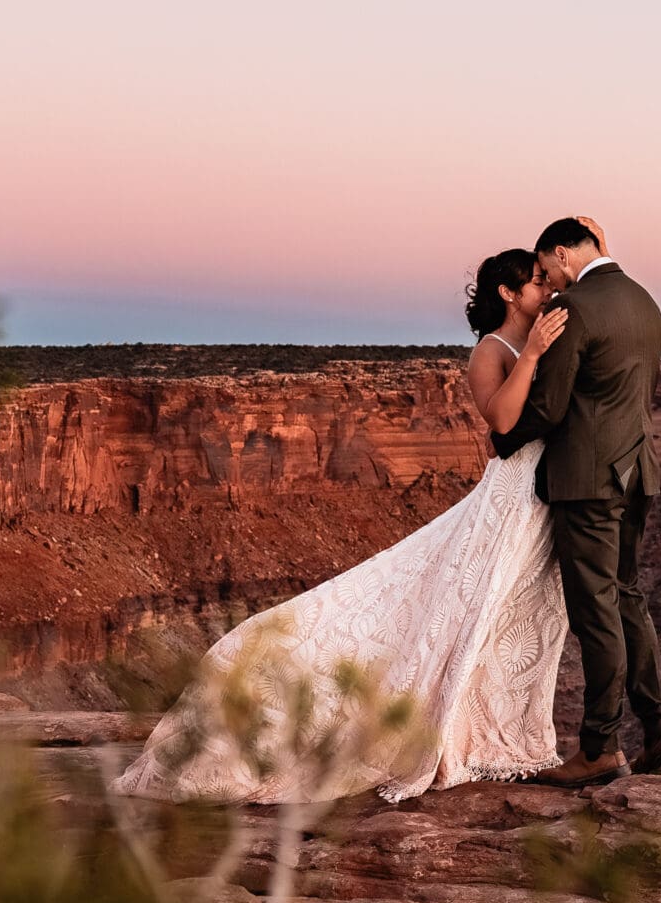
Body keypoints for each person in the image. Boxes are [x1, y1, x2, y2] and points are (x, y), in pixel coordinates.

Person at [113, 242, 577, 803]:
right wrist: (532, 356)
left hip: (541, 496)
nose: (547, 289)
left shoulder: (541, 330)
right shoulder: (492, 351)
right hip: (507, 496)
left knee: (506, 617)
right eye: (535, 282)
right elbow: (501, 422)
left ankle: (488, 729)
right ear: (508, 293)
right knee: (450, 608)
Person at [510, 216, 661, 788]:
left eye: (547, 269)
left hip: (587, 480)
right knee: (629, 596)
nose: (549, 283)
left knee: (596, 610)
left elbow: (550, 406)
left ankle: (601, 747)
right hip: (638, 473)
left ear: (562, 252)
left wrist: (504, 439)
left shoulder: (576, 308)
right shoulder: (645, 302)